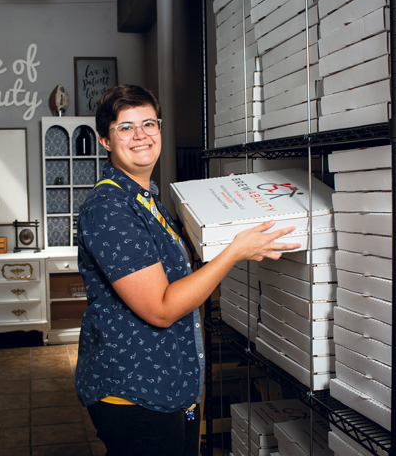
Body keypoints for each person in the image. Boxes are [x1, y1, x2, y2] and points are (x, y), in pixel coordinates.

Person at [75, 84, 300, 456]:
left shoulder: (148, 200)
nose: (141, 135)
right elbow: (161, 308)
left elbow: (179, 272)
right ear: (105, 141)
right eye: (126, 127)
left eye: (149, 123)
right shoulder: (109, 208)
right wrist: (234, 252)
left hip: (169, 386)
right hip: (135, 394)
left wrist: (231, 211)